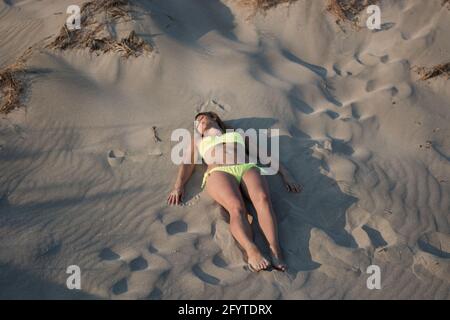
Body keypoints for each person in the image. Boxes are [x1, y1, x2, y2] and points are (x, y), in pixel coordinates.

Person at [167, 112, 302, 272]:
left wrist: (286, 174)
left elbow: (264, 155)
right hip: (219, 171)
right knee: (236, 208)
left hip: (246, 167)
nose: (199, 121)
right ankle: (251, 250)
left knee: (263, 200)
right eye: (196, 122)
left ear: (214, 118)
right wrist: (178, 186)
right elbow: (187, 163)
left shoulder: (236, 134)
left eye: (202, 117)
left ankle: (275, 250)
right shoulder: (198, 140)